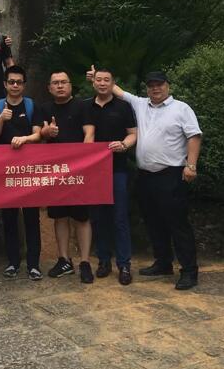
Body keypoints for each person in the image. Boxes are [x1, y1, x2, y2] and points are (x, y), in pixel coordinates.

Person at [87, 66, 202, 290]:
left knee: (177, 223)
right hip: (146, 175)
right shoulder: (140, 104)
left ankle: (189, 270)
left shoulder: (181, 108)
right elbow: (116, 90)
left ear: (167, 86)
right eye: (151, 86)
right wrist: (96, 77)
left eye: (159, 85)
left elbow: (194, 136)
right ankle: (163, 262)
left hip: (172, 173)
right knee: (153, 221)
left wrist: (191, 165)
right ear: (147, 89)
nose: (155, 89)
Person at [40, 71, 96, 284]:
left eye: (64, 82)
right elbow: (39, 134)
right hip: (55, 171)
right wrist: (47, 133)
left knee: (82, 217)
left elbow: (89, 133)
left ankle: (85, 262)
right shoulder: (45, 108)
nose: (60, 86)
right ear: (49, 88)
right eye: (55, 83)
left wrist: (82, 159)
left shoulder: (82, 106)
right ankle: (64, 260)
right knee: (60, 216)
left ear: (70, 85)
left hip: (79, 171)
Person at [0, 66, 43, 280]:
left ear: (24, 85)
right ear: (5, 84)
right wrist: (1, 119)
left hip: (28, 170)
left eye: (19, 82)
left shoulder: (31, 105)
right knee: (9, 218)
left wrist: (24, 139)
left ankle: (34, 264)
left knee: (32, 218)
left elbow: (38, 135)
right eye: (11, 82)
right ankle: (12, 262)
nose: (15, 85)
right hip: (5, 171)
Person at [85, 68, 137, 286]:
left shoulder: (123, 107)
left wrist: (124, 144)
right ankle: (104, 261)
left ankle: (124, 264)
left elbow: (133, 134)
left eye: (107, 80)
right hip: (94, 172)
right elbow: (85, 136)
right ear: (93, 83)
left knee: (120, 218)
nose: (102, 83)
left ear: (112, 83)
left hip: (118, 169)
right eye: (99, 80)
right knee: (99, 218)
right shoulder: (86, 106)